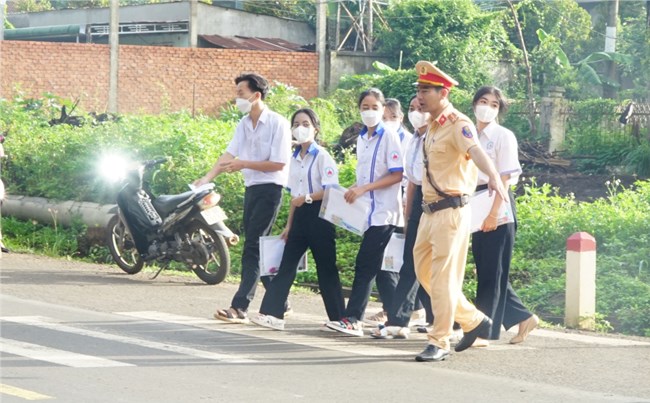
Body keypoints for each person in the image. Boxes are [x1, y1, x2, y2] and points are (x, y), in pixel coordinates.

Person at [411, 61, 508, 362]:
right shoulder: (431, 128)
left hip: (451, 212)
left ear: (443, 93)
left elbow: (476, 151)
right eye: (419, 89)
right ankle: (474, 320)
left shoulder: (458, 123)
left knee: (442, 277)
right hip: (429, 213)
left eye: (426, 90)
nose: (419, 96)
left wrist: (492, 176)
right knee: (424, 272)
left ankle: (439, 340)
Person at [195, 73, 292, 324]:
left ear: (256, 95)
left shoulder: (277, 123)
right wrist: (207, 177)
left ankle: (240, 307)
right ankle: (280, 300)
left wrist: (243, 164)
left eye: (240, 93)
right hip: (252, 187)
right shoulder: (244, 124)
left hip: (271, 189)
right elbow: (229, 153)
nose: (237, 98)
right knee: (256, 245)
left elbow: (279, 163)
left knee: (252, 247)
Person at [250, 108, 345, 330]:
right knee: (287, 265)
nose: (300, 128)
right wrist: (289, 225)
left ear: (315, 128)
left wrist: (309, 198)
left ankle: (339, 318)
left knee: (326, 268)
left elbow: (332, 190)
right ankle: (273, 314)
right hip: (301, 215)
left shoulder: (322, 156)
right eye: (296, 124)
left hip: (320, 215)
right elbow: (294, 197)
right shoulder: (294, 158)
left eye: (305, 124)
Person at [326, 88, 404, 336]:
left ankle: (352, 318)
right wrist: (354, 188)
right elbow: (365, 174)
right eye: (365, 107)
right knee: (381, 270)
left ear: (383, 110)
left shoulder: (389, 136)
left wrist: (365, 188)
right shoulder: (362, 138)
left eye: (374, 107)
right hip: (368, 213)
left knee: (365, 265)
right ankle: (397, 322)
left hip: (384, 212)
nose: (369, 112)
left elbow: (397, 174)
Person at [470, 86, 539, 346]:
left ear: (500, 110)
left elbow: (506, 178)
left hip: (496, 201)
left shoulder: (502, 135)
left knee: (492, 270)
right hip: (476, 202)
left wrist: (493, 214)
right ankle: (524, 317)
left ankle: (483, 331)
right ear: (475, 104)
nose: (487, 107)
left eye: (494, 104)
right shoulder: (470, 134)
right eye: (483, 101)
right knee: (488, 269)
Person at [370, 95, 432, 339]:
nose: (417, 112)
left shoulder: (436, 136)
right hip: (416, 202)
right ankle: (399, 319)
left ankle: (454, 320)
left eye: (421, 108)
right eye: (413, 107)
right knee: (411, 262)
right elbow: (413, 182)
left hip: (438, 203)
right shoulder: (416, 140)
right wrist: (408, 218)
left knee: (433, 265)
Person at [364, 98, 412, 325]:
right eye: (386, 118)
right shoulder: (373, 138)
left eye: (393, 117)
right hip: (384, 206)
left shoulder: (408, 140)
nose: (388, 121)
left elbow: (404, 176)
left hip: (401, 205)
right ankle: (392, 309)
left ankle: (407, 310)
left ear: (400, 118)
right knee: (387, 262)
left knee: (401, 261)